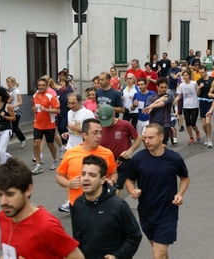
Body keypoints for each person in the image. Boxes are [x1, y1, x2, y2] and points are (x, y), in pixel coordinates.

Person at [0, 157, 84, 259]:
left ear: (28, 190)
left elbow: (78, 257)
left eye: (10, 194)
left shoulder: (46, 226)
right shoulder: (3, 217)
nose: (3, 202)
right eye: (0, 194)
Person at [125, 123, 189, 259]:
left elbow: (185, 178)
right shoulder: (138, 159)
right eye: (145, 138)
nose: (146, 141)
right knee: (160, 252)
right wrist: (132, 191)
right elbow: (129, 181)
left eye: (150, 138)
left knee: (158, 254)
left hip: (167, 213)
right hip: (146, 212)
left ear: (161, 137)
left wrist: (179, 194)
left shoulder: (174, 158)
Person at [73, 155, 142, 259]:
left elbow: (134, 236)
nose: (86, 178)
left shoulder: (118, 206)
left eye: (92, 175)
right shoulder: (78, 203)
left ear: (103, 179)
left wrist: (117, 256)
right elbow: (78, 236)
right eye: (83, 174)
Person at [56, 118, 117, 234]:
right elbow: (59, 176)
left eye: (100, 133)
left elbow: (113, 173)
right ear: (84, 135)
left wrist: (112, 182)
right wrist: (68, 183)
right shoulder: (70, 153)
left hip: (102, 204)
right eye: (95, 133)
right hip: (78, 205)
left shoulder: (107, 153)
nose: (99, 136)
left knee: (101, 238)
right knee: (80, 240)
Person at [58, 93, 95, 213]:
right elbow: (72, 129)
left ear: (80, 102)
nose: (70, 106)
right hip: (70, 147)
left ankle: (87, 199)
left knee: (84, 175)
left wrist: (75, 129)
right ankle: (70, 201)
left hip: (83, 148)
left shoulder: (87, 113)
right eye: (69, 103)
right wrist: (68, 133)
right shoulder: (69, 112)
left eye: (73, 103)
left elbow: (90, 131)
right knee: (68, 174)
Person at [98, 105, 141, 197]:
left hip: (121, 161)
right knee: (103, 188)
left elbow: (138, 138)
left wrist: (130, 151)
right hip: (104, 161)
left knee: (116, 189)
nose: (106, 124)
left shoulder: (125, 125)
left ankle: (118, 210)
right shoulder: (98, 126)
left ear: (114, 114)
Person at [31, 77, 61, 175]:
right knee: (36, 144)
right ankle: (38, 165)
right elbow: (34, 107)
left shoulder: (50, 96)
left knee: (50, 144)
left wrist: (47, 110)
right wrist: (34, 109)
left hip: (49, 125)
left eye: (43, 85)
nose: (41, 87)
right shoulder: (35, 95)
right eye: (39, 85)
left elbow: (58, 110)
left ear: (47, 86)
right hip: (38, 123)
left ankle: (55, 160)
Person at [142, 77, 174, 146]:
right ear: (157, 87)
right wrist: (158, 100)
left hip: (165, 124)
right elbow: (148, 107)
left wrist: (152, 106)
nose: (164, 89)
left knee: (162, 146)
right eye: (162, 87)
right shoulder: (151, 98)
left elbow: (162, 104)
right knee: (153, 146)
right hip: (154, 125)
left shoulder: (169, 96)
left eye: (165, 87)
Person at [173, 69, 201, 145]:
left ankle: (197, 132)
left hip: (194, 105)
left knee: (193, 123)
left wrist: (199, 88)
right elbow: (179, 95)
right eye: (183, 75)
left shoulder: (194, 83)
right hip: (186, 106)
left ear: (189, 76)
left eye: (186, 75)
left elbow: (198, 93)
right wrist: (174, 101)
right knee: (188, 123)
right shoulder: (181, 85)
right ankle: (191, 138)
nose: (185, 77)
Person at [0, 87, 15, 164]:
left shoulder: (7, 106)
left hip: (6, 130)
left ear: (0, 96)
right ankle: (9, 157)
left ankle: (3, 167)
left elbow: (14, 118)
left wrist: (5, 117)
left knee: (1, 150)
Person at [197, 65, 214, 147]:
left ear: (206, 71)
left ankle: (209, 138)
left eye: (202, 72)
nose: (201, 74)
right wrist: (199, 87)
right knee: (204, 124)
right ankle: (207, 137)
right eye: (200, 73)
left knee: (208, 122)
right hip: (202, 102)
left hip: (210, 102)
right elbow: (197, 94)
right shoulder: (199, 81)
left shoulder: (212, 80)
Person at [6, 76, 26, 148]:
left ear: (13, 83)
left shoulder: (17, 91)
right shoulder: (7, 91)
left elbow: (20, 102)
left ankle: (22, 139)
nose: (8, 84)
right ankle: (4, 143)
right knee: (7, 127)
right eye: (7, 82)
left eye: (9, 82)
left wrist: (14, 106)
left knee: (15, 128)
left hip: (15, 111)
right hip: (7, 111)